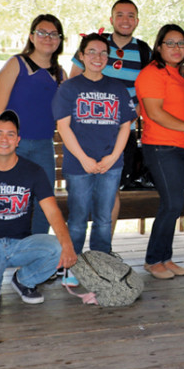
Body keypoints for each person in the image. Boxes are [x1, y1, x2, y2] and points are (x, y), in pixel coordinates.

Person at [0, 110, 78, 316]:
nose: (4, 139)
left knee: (59, 246)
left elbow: (52, 211)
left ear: (18, 140)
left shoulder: (33, 171)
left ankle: (24, 280)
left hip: (21, 244)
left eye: (10, 134)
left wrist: (67, 245)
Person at [52, 33, 136, 269]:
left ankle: (100, 264)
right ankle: (72, 263)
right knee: (78, 220)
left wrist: (113, 157)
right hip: (79, 166)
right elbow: (63, 127)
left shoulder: (117, 88)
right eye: (92, 52)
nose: (97, 57)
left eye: (102, 53)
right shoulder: (69, 88)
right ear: (81, 56)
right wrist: (84, 159)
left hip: (110, 165)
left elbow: (125, 126)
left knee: (103, 220)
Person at [70, 0, 152, 228]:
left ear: (137, 20)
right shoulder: (95, 45)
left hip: (123, 134)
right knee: (81, 193)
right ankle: (75, 249)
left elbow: (150, 90)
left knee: (111, 191)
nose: (125, 20)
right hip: (87, 131)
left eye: (130, 15)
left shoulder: (144, 51)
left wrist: (133, 114)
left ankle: (104, 250)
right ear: (111, 19)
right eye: (120, 15)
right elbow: (74, 80)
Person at [136, 24, 184, 280]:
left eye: (181, 43)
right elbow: (154, 113)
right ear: (159, 47)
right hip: (161, 146)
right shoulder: (152, 73)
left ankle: (165, 257)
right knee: (173, 203)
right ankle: (153, 260)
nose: (176, 48)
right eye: (170, 43)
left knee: (174, 205)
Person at [0, 14, 67, 235]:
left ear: (60, 40)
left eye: (54, 34)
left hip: (44, 144)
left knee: (45, 200)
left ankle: (38, 247)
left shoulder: (60, 73)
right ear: (31, 36)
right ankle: (9, 246)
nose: (48, 38)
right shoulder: (17, 64)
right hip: (15, 144)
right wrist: (5, 144)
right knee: (11, 199)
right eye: (42, 33)